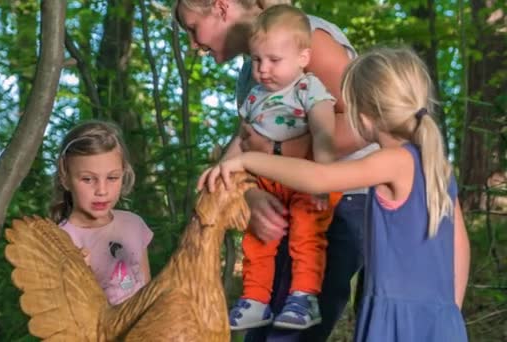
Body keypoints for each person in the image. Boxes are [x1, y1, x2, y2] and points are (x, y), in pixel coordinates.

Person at [201, 47, 471, 342]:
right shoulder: (437, 165)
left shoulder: (394, 161)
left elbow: (319, 178)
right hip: (441, 320)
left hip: (396, 320)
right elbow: (460, 245)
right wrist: (448, 310)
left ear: (364, 115)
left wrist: (246, 160)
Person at [175, 0, 377, 340]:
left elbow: (367, 119)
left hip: (340, 199)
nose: (193, 44)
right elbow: (246, 145)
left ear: (221, 8)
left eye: (193, 29)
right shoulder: (253, 75)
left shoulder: (304, 35)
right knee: (265, 331)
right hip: (286, 202)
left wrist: (277, 152)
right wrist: (251, 194)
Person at [203, 4, 342, 331]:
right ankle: (255, 299)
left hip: (306, 177)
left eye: (274, 60)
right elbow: (242, 140)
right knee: (257, 238)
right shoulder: (255, 98)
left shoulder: (309, 89)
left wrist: (322, 178)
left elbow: (324, 132)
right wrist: (223, 172)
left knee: (306, 234)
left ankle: (304, 296)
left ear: (302, 59)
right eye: (257, 60)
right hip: (269, 183)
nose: (263, 69)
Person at [49, 120, 154, 306]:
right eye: (88, 179)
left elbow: (147, 292)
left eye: (112, 178)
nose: (102, 190)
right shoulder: (60, 239)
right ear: (65, 178)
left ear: (124, 173)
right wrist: (79, 276)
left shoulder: (134, 225)